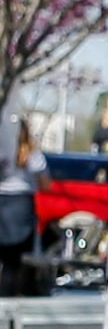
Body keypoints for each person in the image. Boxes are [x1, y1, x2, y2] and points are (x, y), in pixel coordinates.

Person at [0, 120, 46, 294]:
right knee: (14, 261)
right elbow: (45, 184)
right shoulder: (34, 155)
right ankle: (9, 299)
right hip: (21, 206)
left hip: (2, 202)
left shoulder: (3, 151)